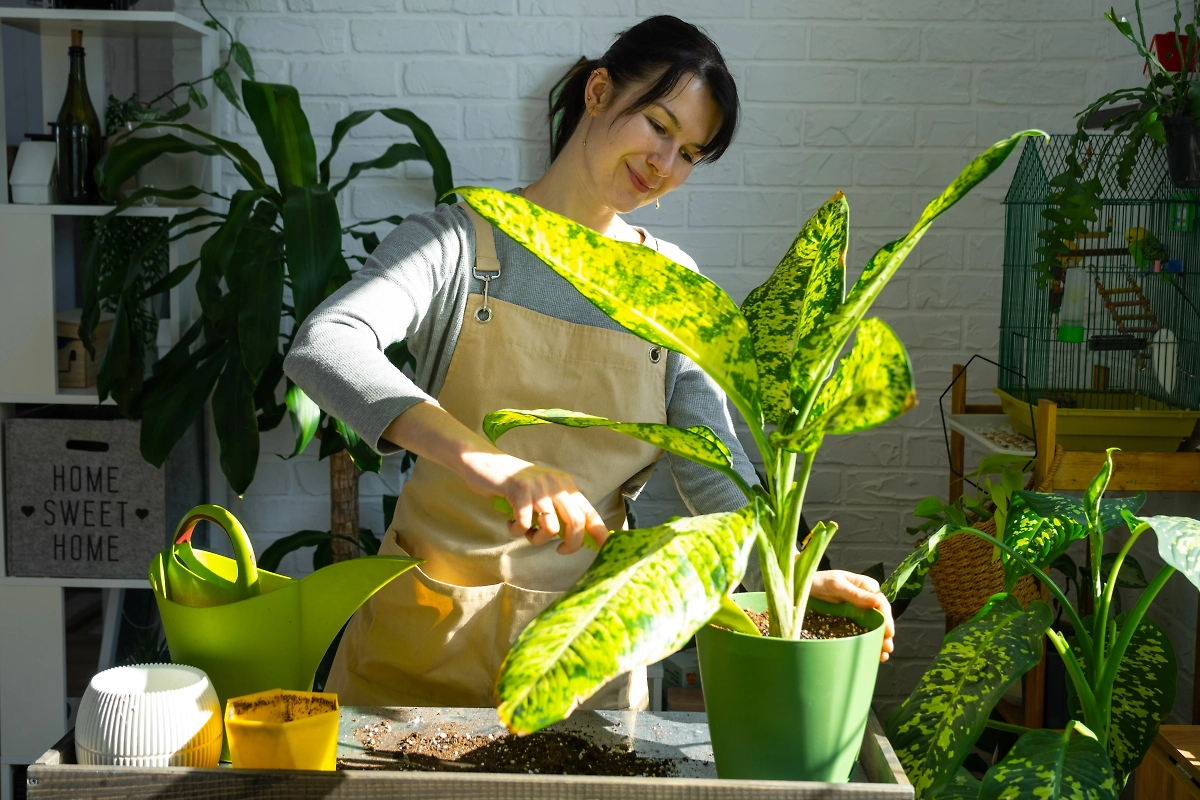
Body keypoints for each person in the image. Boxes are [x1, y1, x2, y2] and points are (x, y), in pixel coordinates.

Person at [283, 15, 895, 710]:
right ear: (599, 92)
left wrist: (795, 573)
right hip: (423, 642)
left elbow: (716, 473)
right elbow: (326, 343)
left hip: (585, 660)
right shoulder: (463, 240)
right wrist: (497, 463)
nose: (665, 164)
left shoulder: (674, 293)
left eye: (690, 152)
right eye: (660, 126)